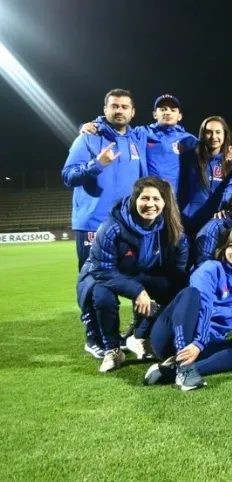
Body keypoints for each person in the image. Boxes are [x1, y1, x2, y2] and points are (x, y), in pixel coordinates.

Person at [63, 88, 148, 357]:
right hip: (93, 223)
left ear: (132, 112)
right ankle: (93, 337)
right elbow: (68, 176)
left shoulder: (136, 140)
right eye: (114, 106)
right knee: (91, 281)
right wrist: (96, 165)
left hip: (128, 225)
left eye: (125, 106)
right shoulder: (87, 139)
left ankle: (131, 334)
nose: (119, 110)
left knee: (133, 277)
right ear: (105, 109)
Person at [76, 176, 189, 372]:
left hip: (139, 272)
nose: (150, 204)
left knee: (176, 289)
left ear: (164, 202)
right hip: (106, 273)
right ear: (135, 199)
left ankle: (139, 337)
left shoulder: (170, 227)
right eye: (145, 198)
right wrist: (137, 291)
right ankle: (112, 349)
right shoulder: (112, 226)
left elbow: (180, 264)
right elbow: (102, 269)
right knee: (103, 297)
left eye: (156, 199)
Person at [145, 227, 232, 390]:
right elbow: (204, 307)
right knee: (190, 294)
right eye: (230, 245)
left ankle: (171, 371)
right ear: (222, 249)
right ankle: (185, 367)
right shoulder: (210, 269)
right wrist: (198, 343)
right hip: (171, 336)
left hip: (206, 343)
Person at [79, 94, 199, 195]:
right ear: (155, 114)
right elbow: (116, 128)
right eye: (163, 109)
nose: (167, 112)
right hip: (147, 196)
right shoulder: (141, 133)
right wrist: (92, 125)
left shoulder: (189, 140)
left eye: (173, 110)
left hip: (175, 198)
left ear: (180, 116)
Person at [178, 116, 232, 238]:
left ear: (225, 135)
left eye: (218, 132)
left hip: (218, 221)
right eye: (208, 132)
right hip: (190, 220)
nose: (213, 137)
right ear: (202, 134)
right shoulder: (190, 158)